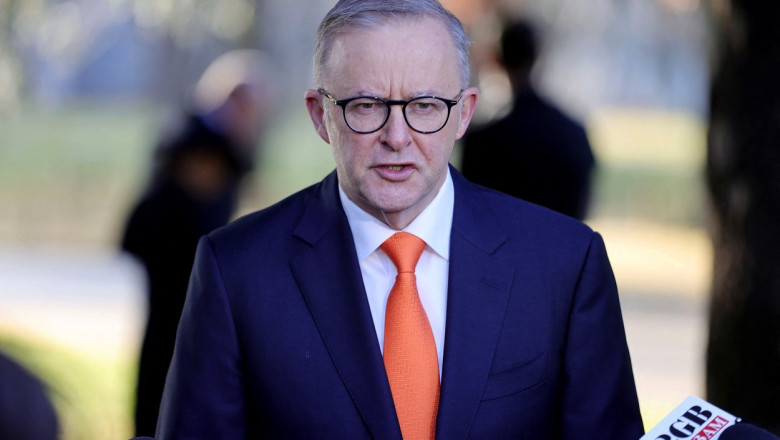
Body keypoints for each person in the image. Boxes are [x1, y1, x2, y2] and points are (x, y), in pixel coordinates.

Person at [156, 1, 643, 439]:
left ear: (464, 113)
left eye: (425, 106)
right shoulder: (235, 271)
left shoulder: (566, 265)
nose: (396, 136)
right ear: (320, 115)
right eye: (366, 105)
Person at [121, 49, 271, 436]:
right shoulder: (201, 140)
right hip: (174, 259)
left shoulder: (211, 138)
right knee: (166, 346)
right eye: (250, 106)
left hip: (183, 258)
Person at [461, 19, 596, 221]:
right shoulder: (573, 134)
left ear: (498, 60)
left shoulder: (482, 143)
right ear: (536, 57)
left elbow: (472, 213)